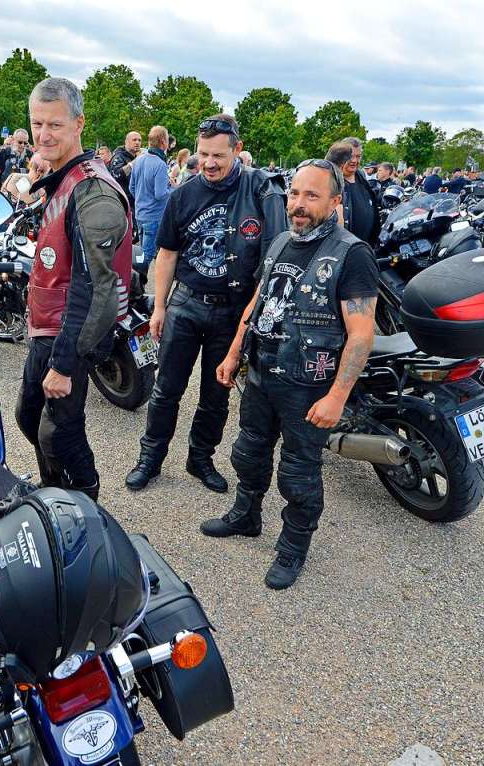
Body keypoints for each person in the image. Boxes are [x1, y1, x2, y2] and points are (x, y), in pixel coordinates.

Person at [207, 159, 378, 589]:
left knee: (298, 475)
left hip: (309, 386)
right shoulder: (283, 240)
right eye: (295, 194)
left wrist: (337, 397)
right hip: (262, 374)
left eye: (311, 195)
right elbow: (257, 302)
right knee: (247, 453)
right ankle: (246, 517)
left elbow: (360, 335)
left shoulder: (352, 254)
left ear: (335, 201)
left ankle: (293, 546)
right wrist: (232, 355)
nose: (298, 204)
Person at [125, 114, 287, 493]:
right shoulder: (184, 193)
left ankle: (201, 459)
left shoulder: (260, 191)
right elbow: (166, 254)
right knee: (166, 389)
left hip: (232, 311)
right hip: (186, 303)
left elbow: (273, 258)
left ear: (237, 150)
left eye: (218, 155)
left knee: (217, 395)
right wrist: (160, 307)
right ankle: (151, 457)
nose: (209, 163)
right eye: (203, 154)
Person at [16, 78, 133, 501]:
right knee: (29, 416)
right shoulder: (64, 178)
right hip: (47, 326)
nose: (43, 135)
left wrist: (65, 365)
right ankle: (53, 494)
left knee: (58, 432)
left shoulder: (93, 190)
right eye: (37, 124)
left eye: (55, 126)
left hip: (69, 333)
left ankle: (83, 499)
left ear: (79, 124)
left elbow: (94, 288)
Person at [128, 125, 172, 284]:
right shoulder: (160, 164)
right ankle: (137, 283)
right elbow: (160, 194)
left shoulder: (139, 160)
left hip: (140, 213)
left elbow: (131, 188)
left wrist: (141, 200)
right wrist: (173, 190)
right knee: (147, 253)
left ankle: (135, 280)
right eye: (167, 140)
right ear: (163, 142)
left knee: (141, 250)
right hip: (153, 216)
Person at [335, 137, 380, 245]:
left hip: (365, 246)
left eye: (358, 156)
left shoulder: (361, 176)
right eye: (350, 156)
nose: (354, 160)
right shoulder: (332, 181)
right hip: (344, 250)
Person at [0, 128, 32, 193]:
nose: (23, 145)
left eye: (25, 143)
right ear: (13, 140)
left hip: (23, 194)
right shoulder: (5, 153)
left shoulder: (30, 154)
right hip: (5, 192)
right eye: (20, 142)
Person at [109, 130, 142, 204]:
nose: (137, 142)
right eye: (134, 140)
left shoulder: (138, 157)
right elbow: (116, 174)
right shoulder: (118, 156)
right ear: (126, 142)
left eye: (139, 140)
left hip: (137, 200)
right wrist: (133, 163)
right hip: (123, 201)